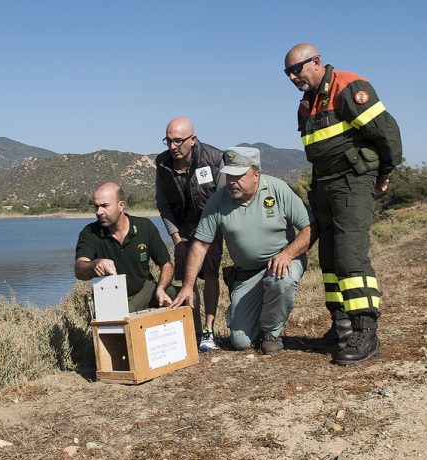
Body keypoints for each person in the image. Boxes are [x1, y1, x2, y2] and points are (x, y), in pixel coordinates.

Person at [283, 43, 403, 365]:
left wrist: (384, 172)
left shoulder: (348, 87)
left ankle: (367, 330)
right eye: (288, 72)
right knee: (331, 259)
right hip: (324, 185)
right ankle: (341, 326)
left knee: (350, 256)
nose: (294, 77)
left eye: (298, 68)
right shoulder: (305, 105)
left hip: (352, 181)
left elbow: (387, 132)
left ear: (317, 61)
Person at [171, 147, 315, 355]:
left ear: (256, 175)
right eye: (229, 175)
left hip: (281, 262)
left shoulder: (278, 189)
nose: (231, 181)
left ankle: (270, 333)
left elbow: (310, 227)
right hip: (247, 275)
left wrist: (288, 254)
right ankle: (257, 314)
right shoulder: (219, 200)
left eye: (238, 176)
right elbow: (201, 244)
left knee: (282, 279)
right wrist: (188, 285)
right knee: (240, 341)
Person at [155, 116, 225, 351]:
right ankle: (193, 332)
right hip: (182, 226)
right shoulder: (163, 164)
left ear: (192, 139)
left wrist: (214, 229)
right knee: (188, 280)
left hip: (210, 222)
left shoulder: (215, 158)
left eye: (177, 141)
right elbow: (163, 203)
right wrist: (175, 236)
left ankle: (209, 331)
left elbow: (224, 197)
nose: (172, 146)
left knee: (211, 274)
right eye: (168, 141)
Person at [75, 181, 177, 312]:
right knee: (123, 317)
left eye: (105, 206)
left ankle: (200, 332)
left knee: (187, 296)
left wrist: (161, 289)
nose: (99, 212)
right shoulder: (89, 232)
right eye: (96, 206)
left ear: (121, 205)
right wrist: (95, 265)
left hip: (145, 291)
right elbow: (79, 270)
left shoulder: (145, 227)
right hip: (111, 298)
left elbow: (166, 265)